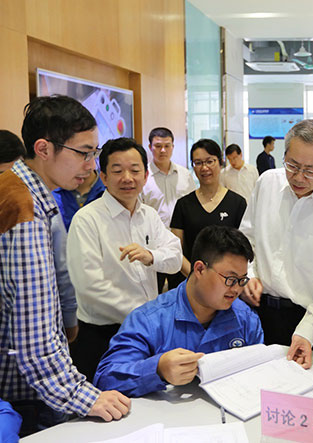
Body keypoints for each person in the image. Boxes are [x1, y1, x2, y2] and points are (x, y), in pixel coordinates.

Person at [0, 96, 130, 436]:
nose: (91, 164)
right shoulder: (24, 209)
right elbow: (33, 338)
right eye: (83, 153)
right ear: (43, 149)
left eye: (94, 153)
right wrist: (83, 396)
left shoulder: (20, 189)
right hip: (24, 394)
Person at [240, 119, 313, 369]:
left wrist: (308, 330)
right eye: (292, 165)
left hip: (308, 320)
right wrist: (248, 275)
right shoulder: (267, 183)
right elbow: (246, 240)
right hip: (256, 310)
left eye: (310, 170)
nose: (298, 177)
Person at [94, 226, 263, 397]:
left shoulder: (245, 318)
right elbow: (105, 380)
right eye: (231, 279)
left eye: (242, 280)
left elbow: (259, 371)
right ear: (200, 269)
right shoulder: (150, 320)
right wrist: (157, 369)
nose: (237, 289)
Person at [67, 137, 182, 382]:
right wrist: (145, 314)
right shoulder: (87, 220)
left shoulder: (149, 215)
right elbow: (90, 287)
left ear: (146, 175)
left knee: (147, 397)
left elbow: (174, 258)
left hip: (146, 333)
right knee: (105, 399)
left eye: (135, 170)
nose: (127, 178)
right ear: (103, 177)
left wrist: (151, 256)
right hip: (103, 335)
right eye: (117, 171)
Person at [170, 139, 247, 289]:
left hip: (228, 285)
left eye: (210, 161)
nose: (204, 168)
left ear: (220, 162)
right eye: (198, 163)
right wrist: (195, 277)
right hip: (192, 283)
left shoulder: (237, 203)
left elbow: (244, 249)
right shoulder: (183, 205)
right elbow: (175, 250)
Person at [140, 127, 196, 228]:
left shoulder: (185, 175)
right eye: (158, 146)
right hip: (153, 233)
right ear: (150, 147)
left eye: (167, 146)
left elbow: (193, 204)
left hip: (182, 232)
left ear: (172, 147)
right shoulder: (142, 177)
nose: (163, 150)